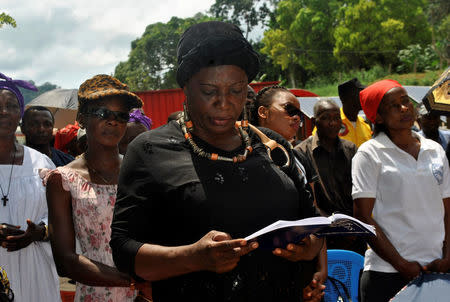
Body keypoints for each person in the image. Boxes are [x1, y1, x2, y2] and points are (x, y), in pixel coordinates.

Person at [110, 21, 323, 302]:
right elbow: (124, 251)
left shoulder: (273, 145)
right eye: (209, 91)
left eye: (236, 91)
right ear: (185, 87)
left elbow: (314, 220)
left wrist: (310, 247)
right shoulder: (151, 150)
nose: (224, 103)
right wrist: (192, 258)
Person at [44, 75, 150, 301]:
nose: (113, 121)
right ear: (81, 119)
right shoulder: (63, 180)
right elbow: (66, 261)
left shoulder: (141, 173)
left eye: (121, 116)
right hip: (98, 294)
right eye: (103, 113)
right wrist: (133, 281)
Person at [353, 79, 450, 302]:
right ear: (377, 117)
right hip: (387, 274)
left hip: (437, 269)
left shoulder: (434, 150)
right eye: (394, 106)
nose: (404, 108)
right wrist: (400, 264)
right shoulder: (369, 154)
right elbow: (362, 217)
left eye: (405, 101)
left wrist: (447, 256)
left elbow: (447, 208)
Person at [250, 84, 326, 300]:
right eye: (289, 110)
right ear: (263, 113)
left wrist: (320, 270)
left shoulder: (300, 158)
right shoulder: (245, 157)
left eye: (299, 113)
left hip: (303, 274)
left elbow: (314, 215)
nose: (297, 118)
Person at [0, 72, 60, 301]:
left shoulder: (41, 163)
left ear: (19, 115)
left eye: (11, 105)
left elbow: (60, 216)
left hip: (35, 267)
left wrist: (39, 231)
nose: (3, 111)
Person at [295, 99, 366, 255]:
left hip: (354, 232)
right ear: (314, 121)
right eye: (326, 118)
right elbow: (307, 201)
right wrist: (335, 228)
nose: (333, 123)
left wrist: (352, 227)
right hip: (322, 233)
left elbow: (360, 191)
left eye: (336, 118)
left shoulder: (351, 149)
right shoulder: (302, 152)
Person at [337, 78, 372, 147]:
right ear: (344, 98)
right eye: (359, 94)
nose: (363, 97)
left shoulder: (365, 125)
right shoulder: (332, 124)